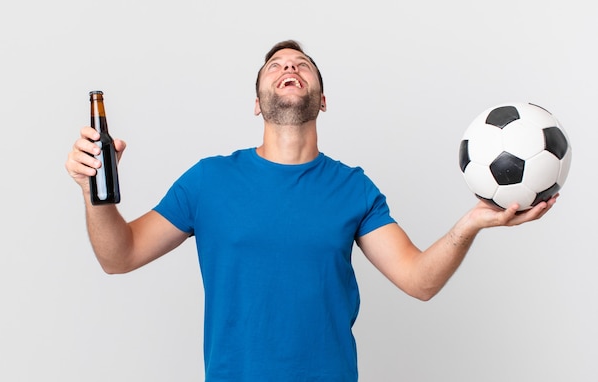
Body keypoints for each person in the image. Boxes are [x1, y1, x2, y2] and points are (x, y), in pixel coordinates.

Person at [65, 40, 557, 381]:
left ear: (322, 100)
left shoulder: (352, 188)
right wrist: (94, 191)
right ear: (256, 102)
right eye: (276, 65)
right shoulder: (208, 180)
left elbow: (419, 281)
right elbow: (119, 255)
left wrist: (470, 223)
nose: (289, 68)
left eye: (301, 64)